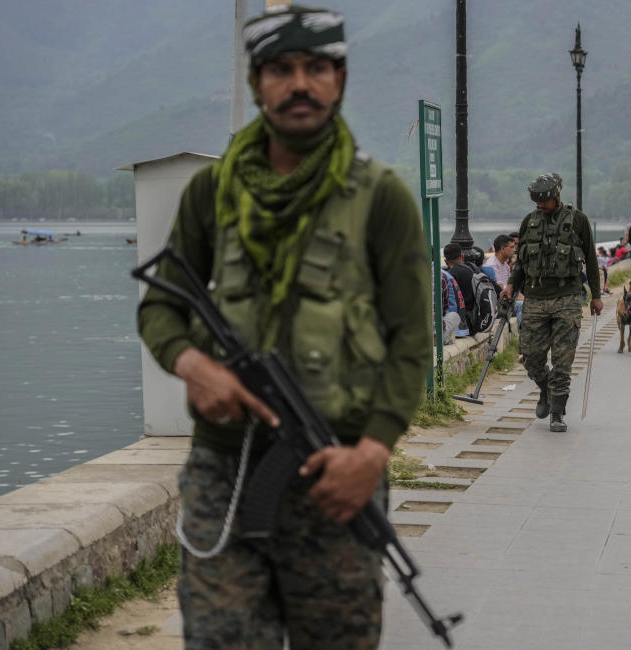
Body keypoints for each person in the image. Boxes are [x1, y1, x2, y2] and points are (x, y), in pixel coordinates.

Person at [136, 6, 432, 647]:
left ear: (341, 79)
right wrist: (192, 364)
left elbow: (412, 340)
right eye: (281, 69)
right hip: (227, 470)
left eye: (316, 68)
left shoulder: (381, 198)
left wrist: (374, 451)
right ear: (256, 83)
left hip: (339, 472)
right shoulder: (211, 193)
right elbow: (160, 308)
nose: (300, 83)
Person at [501, 173, 602, 433]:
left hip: (567, 298)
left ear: (556, 196)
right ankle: (545, 388)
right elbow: (521, 262)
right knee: (531, 358)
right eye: (536, 201)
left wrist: (597, 296)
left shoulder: (578, 220)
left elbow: (591, 259)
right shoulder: (529, 222)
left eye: (544, 201)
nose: (540, 206)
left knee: (562, 360)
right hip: (535, 298)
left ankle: (557, 413)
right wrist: (511, 285)